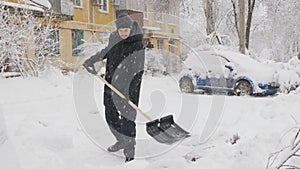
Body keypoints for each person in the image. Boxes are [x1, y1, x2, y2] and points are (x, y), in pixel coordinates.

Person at [82, 14, 145, 162]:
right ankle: (121, 140)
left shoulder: (137, 44)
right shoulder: (114, 39)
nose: (123, 33)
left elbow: (138, 70)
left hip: (130, 87)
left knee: (127, 118)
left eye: (126, 30)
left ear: (130, 29)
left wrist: (130, 92)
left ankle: (130, 151)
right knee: (110, 115)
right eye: (121, 30)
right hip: (111, 83)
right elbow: (106, 52)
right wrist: (90, 61)